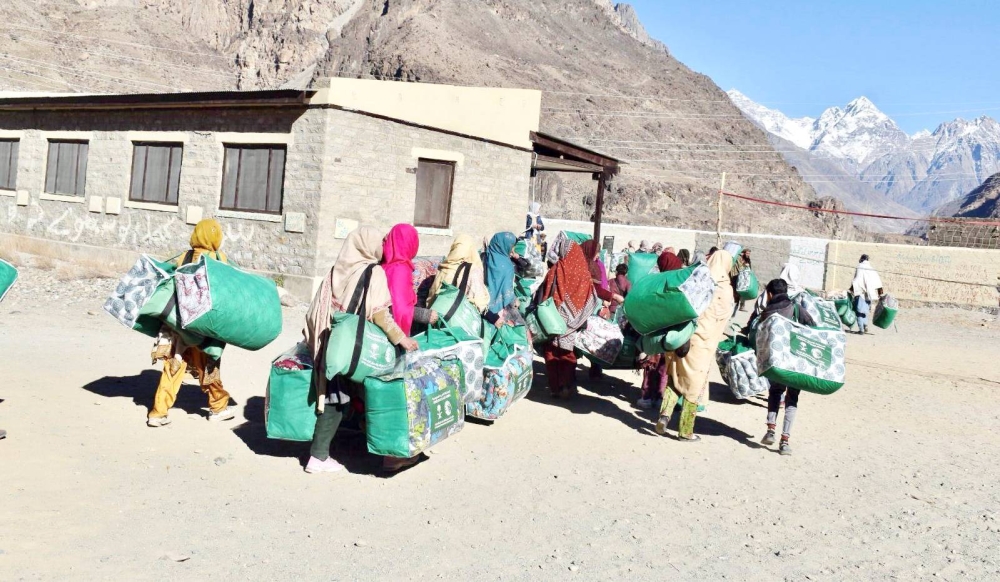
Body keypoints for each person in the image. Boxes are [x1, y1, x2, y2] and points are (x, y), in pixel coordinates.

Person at [303, 227, 424, 474]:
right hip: (355, 347)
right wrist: (402, 339)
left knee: (336, 394)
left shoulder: (337, 270)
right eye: (379, 241)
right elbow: (380, 313)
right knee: (362, 397)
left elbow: (317, 308)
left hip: (331, 341)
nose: (382, 244)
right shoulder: (374, 271)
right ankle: (322, 456)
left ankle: (324, 452)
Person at [147, 219, 235, 428]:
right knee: (208, 367)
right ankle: (218, 407)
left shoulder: (183, 257)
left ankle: (158, 413)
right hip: (204, 327)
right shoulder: (218, 258)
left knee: (173, 366)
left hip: (179, 325)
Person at [655, 250, 735, 441]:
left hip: (683, 338)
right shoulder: (725, 289)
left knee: (675, 377)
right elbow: (724, 318)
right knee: (694, 386)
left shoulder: (700, 279)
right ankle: (685, 431)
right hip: (702, 344)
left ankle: (664, 416)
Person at [758, 278, 816, 456]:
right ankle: (784, 441)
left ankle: (770, 429)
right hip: (796, 363)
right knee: (792, 399)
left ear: (769, 294)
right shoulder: (796, 308)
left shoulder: (766, 312)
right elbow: (813, 327)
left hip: (776, 363)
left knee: (775, 393)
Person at [538, 240, 602, 399]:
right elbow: (592, 296)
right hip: (574, 323)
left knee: (551, 353)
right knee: (568, 354)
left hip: (553, 319)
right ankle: (566, 386)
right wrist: (578, 317)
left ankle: (554, 388)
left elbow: (546, 293)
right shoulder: (584, 272)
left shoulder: (557, 268)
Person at [637, 250, 685, 410]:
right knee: (662, 367)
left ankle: (646, 396)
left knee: (651, 364)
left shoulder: (652, 281)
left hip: (652, 329)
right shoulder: (674, 284)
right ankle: (658, 396)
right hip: (666, 332)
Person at [427, 233, 490, 314]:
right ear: (471, 249)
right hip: (457, 320)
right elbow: (480, 304)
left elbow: (432, 296)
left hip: (436, 315)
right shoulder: (473, 270)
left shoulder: (444, 266)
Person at [483, 232, 522, 326]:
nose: (513, 249)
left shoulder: (485, 256)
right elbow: (506, 290)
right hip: (499, 311)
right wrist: (514, 299)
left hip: (483, 305)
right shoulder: (506, 265)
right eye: (512, 246)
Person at [850, 254, 884, 334]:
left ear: (861, 259)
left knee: (858, 312)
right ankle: (865, 325)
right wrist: (880, 293)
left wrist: (851, 290)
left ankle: (861, 330)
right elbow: (878, 282)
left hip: (861, 293)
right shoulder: (872, 269)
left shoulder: (860, 267)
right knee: (864, 311)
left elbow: (857, 279)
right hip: (869, 295)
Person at [730, 248, 752, 314]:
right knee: (735, 292)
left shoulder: (748, 259)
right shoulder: (739, 258)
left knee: (743, 292)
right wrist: (744, 265)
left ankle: (742, 306)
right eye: (747, 253)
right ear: (744, 253)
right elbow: (738, 267)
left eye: (749, 254)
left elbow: (749, 268)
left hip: (744, 278)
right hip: (737, 277)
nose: (748, 255)